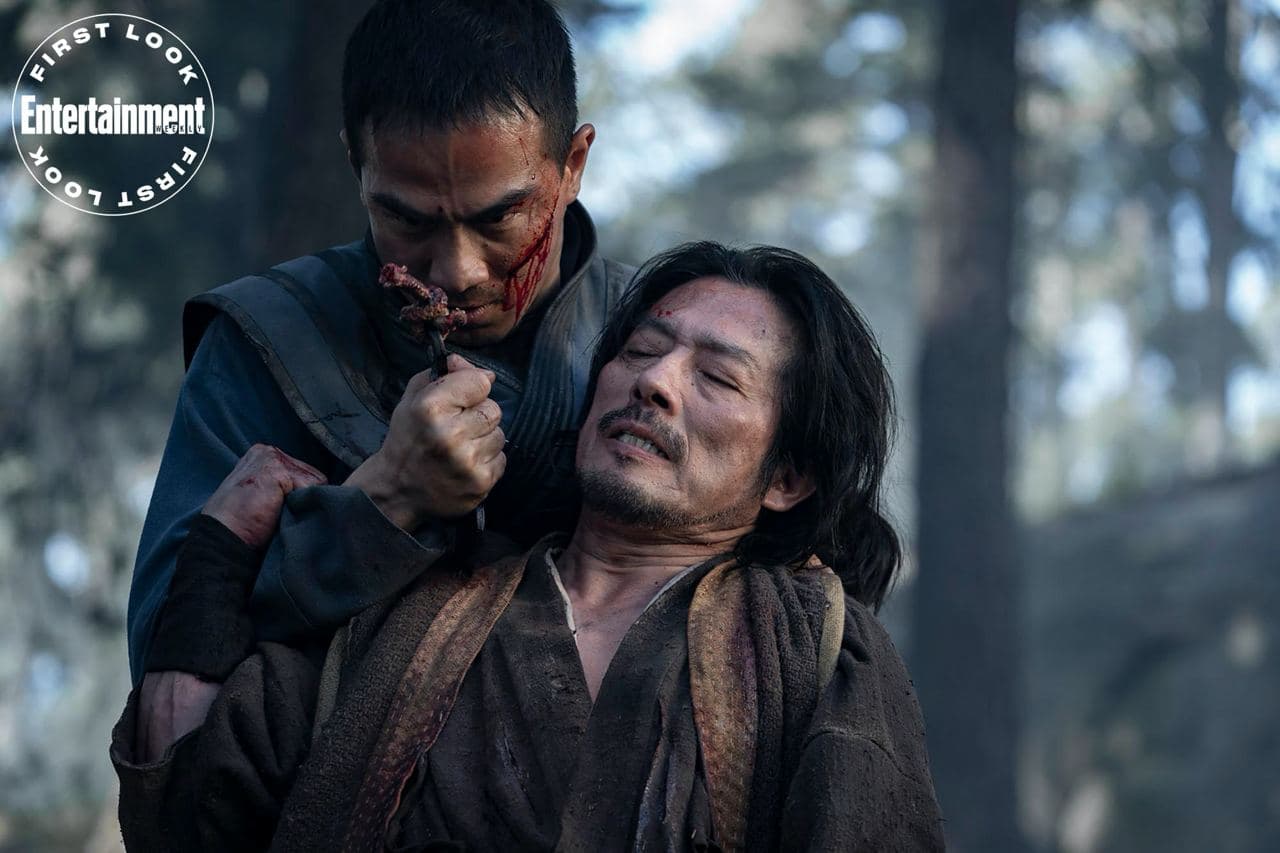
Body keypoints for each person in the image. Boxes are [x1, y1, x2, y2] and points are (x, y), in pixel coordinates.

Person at [112, 243, 945, 851]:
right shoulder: (408, 613)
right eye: (641, 349)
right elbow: (194, 815)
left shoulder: (814, 648)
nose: (654, 381)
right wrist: (217, 555)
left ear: (787, 477)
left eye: (718, 378)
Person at [126, 0, 637, 691]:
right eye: (407, 219)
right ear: (357, 165)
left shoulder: (662, 345)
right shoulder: (268, 339)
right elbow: (169, 656)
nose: (457, 271)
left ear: (573, 164)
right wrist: (388, 498)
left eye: (500, 218)